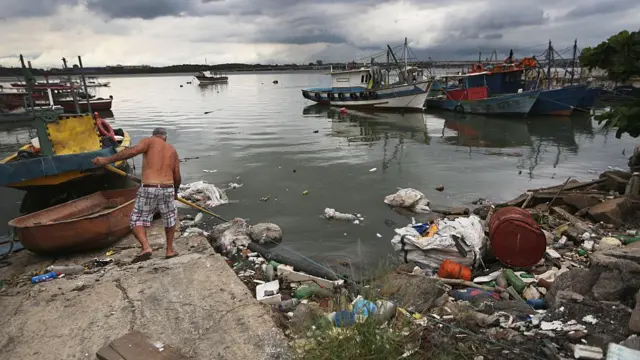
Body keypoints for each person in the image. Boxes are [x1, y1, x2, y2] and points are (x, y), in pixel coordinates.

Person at [93, 127, 181, 262]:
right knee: (170, 218)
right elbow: (177, 176)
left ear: (154, 135)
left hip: (149, 187)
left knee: (136, 219)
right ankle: (169, 250)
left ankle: (146, 247)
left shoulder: (149, 141)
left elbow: (132, 151)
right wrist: (175, 192)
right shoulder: (172, 150)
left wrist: (106, 160)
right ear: (165, 137)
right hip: (167, 188)